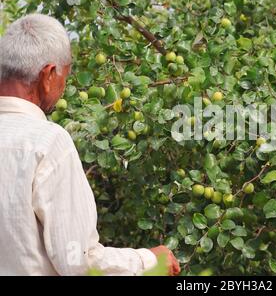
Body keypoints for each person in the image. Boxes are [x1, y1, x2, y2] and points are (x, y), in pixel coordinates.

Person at [0, 14, 180, 276]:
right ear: (49, 75)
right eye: (65, 76)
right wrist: (147, 260)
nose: (63, 88)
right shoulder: (48, 143)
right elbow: (78, 262)